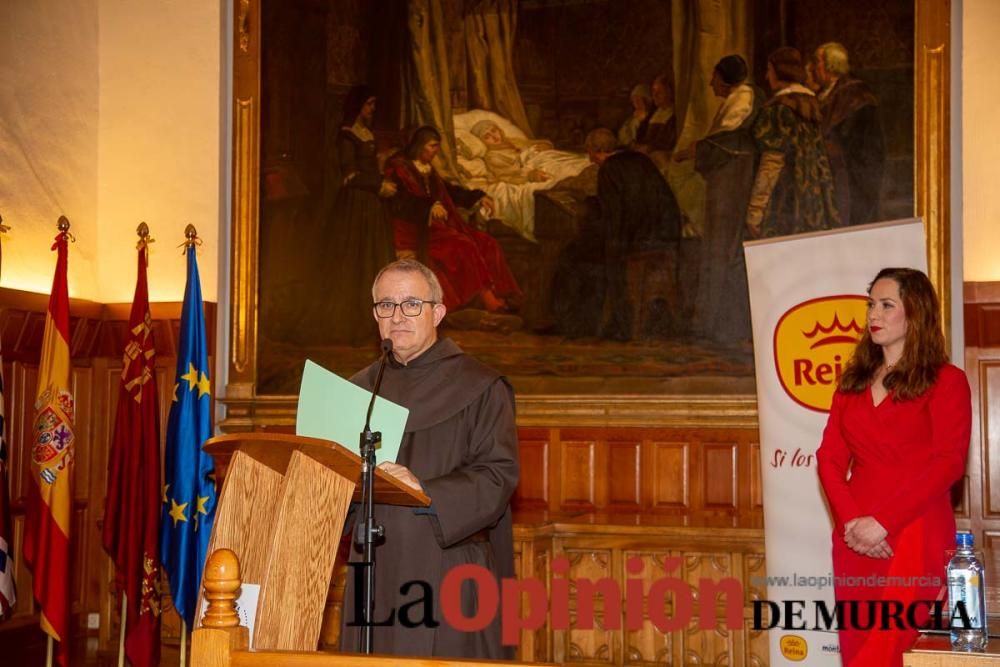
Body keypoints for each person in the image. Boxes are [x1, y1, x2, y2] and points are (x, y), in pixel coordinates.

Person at [340, 259, 519, 659]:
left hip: (448, 568)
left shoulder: (482, 386)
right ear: (375, 315)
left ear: (437, 312)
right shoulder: (359, 390)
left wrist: (426, 491)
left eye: (411, 304)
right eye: (386, 305)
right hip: (373, 571)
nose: (397, 316)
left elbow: (497, 476)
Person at [816, 267, 972, 666]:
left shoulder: (947, 381)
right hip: (854, 540)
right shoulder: (851, 384)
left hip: (914, 532)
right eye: (871, 304)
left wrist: (883, 522)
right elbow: (829, 459)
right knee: (858, 652)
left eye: (887, 305)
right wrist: (852, 523)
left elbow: (949, 463)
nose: (874, 314)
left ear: (915, 313)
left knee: (901, 652)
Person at [551, 128, 682, 340]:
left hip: (638, 239)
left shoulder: (609, 169)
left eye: (591, 154)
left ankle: (588, 326)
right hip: (666, 233)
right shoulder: (641, 160)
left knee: (574, 259)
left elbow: (615, 217)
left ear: (597, 151)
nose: (591, 159)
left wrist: (607, 245)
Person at [383, 126, 522, 313]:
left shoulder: (428, 168)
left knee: (486, 242)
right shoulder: (398, 167)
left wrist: (476, 197)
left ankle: (504, 294)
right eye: (432, 146)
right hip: (413, 229)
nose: (436, 151)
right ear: (420, 146)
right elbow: (399, 202)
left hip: (438, 226)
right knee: (464, 245)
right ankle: (489, 301)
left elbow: (447, 191)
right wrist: (428, 207)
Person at [675, 55, 760, 344]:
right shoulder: (735, 100)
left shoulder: (742, 101)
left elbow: (725, 143)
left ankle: (720, 324)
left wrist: (692, 151)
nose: (711, 82)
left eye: (714, 77)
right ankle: (711, 322)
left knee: (722, 247)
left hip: (731, 185)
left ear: (725, 79)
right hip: (724, 183)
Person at [322, 85, 397, 344]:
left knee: (374, 261)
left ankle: (373, 326)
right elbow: (350, 175)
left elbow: (368, 167)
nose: (372, 110)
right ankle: (351, 325)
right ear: (358, 106)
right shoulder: (346, 136)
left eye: (374, 105)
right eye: (369, 104)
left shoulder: (366, 133)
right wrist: (378, 185)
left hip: (372, 208)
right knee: (355, 262)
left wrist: (382, 167)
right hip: (355, 207)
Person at [746, 47, 841, 238]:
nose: (766, 77)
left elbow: (771, 163)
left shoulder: (778, 109)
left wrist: (756, 210)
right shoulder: (812, 104)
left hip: (783, 202)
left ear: (780, 71)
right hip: (814, 202)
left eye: (769, 70)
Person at [815, 41, 886, 227]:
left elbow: (858, 140)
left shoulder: (855, 93)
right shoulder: (825, 93)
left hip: (853, 173)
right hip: (834, 172)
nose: (815, 68)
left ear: (830, 64)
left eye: (818, 62)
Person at [468, 119, 552, 184]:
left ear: (499, 130)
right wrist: (530, 177)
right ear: (482, 142)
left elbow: (532, 144)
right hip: (534, 174)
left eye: (494, 131)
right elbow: (508, 178)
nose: (494, 136)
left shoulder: (510, 141)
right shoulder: (492, 157)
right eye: (487, 136)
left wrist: (545, 145)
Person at [617, 83, 654, 148]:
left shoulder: (651, 116)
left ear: (646, 100)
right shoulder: (631, 117)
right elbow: (623, 132)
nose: (636, 102)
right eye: (634, 100)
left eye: (638, 99)